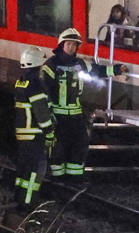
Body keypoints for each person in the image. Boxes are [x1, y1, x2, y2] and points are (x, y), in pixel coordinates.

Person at [42, 27, 127, 179]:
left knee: (79, 145)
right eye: (69, 44)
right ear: (61, 44)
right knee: (58, 148)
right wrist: (48, 116)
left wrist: (116, 69)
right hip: (58, 116)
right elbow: (44, 91)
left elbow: (98, 70)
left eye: (74, 45)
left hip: (75, 115)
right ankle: (57, 178)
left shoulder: (80, 63)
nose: (72, 47)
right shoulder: (51, 65)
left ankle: (74, 178)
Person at [12, 46, 57, 208]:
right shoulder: (36, 84)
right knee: (34, 172)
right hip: (35, 135)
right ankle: (28, 205)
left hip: (22, 134)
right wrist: (50, 132)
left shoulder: (21, 82)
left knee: (23, 171)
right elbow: (41, 112)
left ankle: (18, 199)